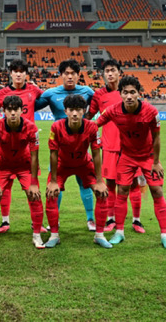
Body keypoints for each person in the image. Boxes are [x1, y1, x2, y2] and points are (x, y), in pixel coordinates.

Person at [96, 76, 166, 249]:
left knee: (157, 190)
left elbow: (157, 138)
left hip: (147, 157)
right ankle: (119, 232)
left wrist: (155, 162)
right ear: (120, 94)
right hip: (127, 156)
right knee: (121, 190)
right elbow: (95, 125)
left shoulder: (151, 112)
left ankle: (165, 235)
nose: (129, 96)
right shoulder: (113, 110)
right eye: (125, 92)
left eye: (133, 92)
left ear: (139, 94)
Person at [0, 59, 44, 234]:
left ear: (26, 74)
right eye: (15, 71)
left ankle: (36, 225)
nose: (18, 74)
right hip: (6, 144)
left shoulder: (34, 90)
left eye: (22, 71)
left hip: (27, 145)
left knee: (33, 190)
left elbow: (46, 97)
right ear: (11, 74)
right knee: (4, 187)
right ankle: (5, 221)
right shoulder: (3, 93)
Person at [35, 59, 97, 231]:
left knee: (84, 183)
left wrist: (89, 119)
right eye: (66, 73)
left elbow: (99, 104)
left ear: (78, 75)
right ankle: (55, 219)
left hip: (81, 146)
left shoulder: (87, 91)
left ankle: (91, 219)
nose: (70, 77)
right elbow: (30, 106)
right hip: (60, 147)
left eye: (73, 73)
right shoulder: (51, 93)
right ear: (61, 75)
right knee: (55, 184)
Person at [86, 59, 145, 234]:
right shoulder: (98, 95)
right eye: (107, 71)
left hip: (131, 147)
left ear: (119, 72)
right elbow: (90, 117)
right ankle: (111, 219)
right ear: (103, 75)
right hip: (110, 147)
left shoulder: (128, 92)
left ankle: (137, 220)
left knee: (134, 184)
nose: (110, 74)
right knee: (110, 184)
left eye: (113, 70)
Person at [45, 95, 110, 248]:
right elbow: (53, 154)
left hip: (84, 164)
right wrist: (53, 181)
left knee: (102, 192)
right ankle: (54, 235)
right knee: (51, 193)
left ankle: (99, 235)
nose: (75, 114)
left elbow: (96, 153)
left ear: (84, 111)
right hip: (62, 165)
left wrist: (100, 181)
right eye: (71, 110)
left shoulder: (92, 127)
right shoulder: (56, 127)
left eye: (78, 110)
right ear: (65, 111)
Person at [0, 96, 44, 249]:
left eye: (15, 110)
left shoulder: (31, 128)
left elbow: (34, 156)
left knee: (35, 196)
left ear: (21, 110)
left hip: (24, 165)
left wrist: (33, 183)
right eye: (9, 110)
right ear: (3, 111)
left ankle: (37, 235)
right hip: (3, 165)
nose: (12, 113)